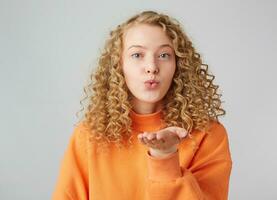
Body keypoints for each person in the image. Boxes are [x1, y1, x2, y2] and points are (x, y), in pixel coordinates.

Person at [52, 10, 233, 200]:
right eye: (137, 55)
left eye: (164, 55)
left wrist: (165, 157)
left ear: (178, 65)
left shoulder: (208, 135)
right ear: (118, 65)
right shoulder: (89, 135)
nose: (152, 67)